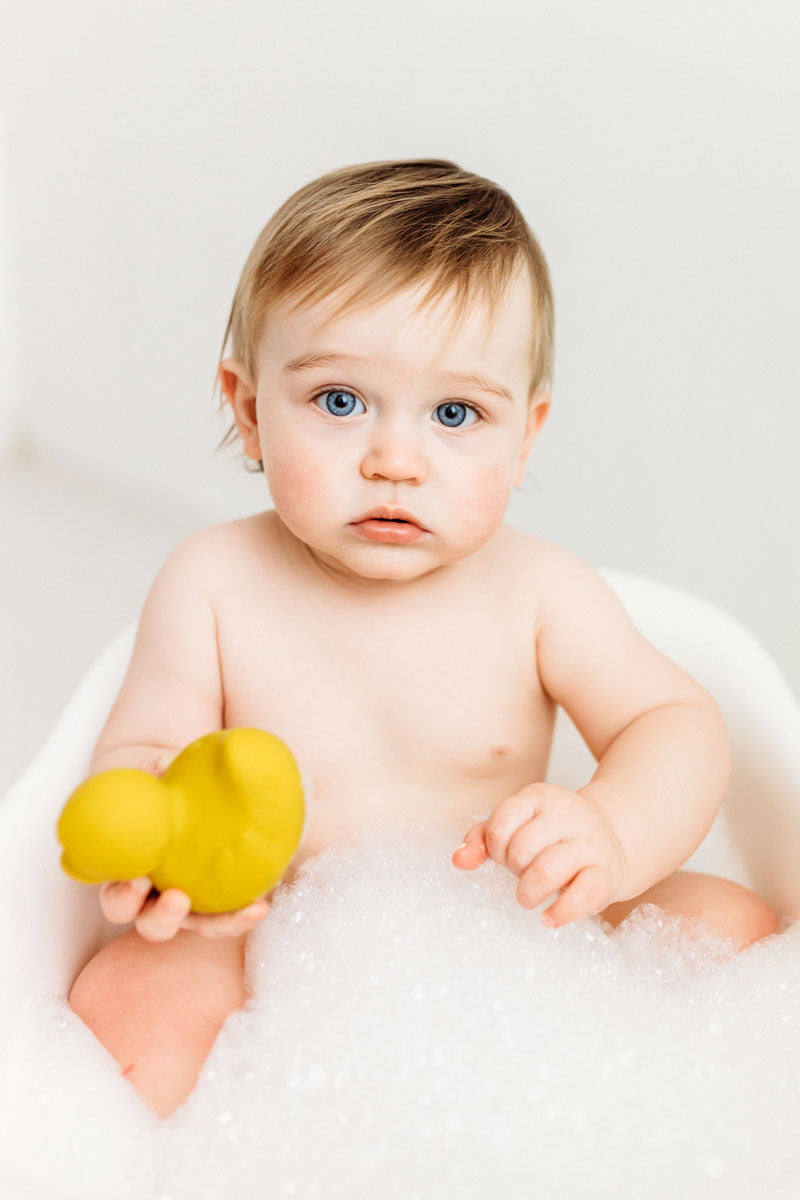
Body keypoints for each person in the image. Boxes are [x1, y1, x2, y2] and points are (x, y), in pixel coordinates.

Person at [68, 158, 780, 1116]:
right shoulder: (213, 582)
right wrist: (161, 853)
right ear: (247, 410)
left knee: (737, 928)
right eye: (339, 401)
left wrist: (610, 830)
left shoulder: (539, 592)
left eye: (455, 414)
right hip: (256, 927)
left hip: (517, 913)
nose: (394, 460)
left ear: (524, 437)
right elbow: (147, 747)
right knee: (126, 1006)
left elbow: (676, 720)